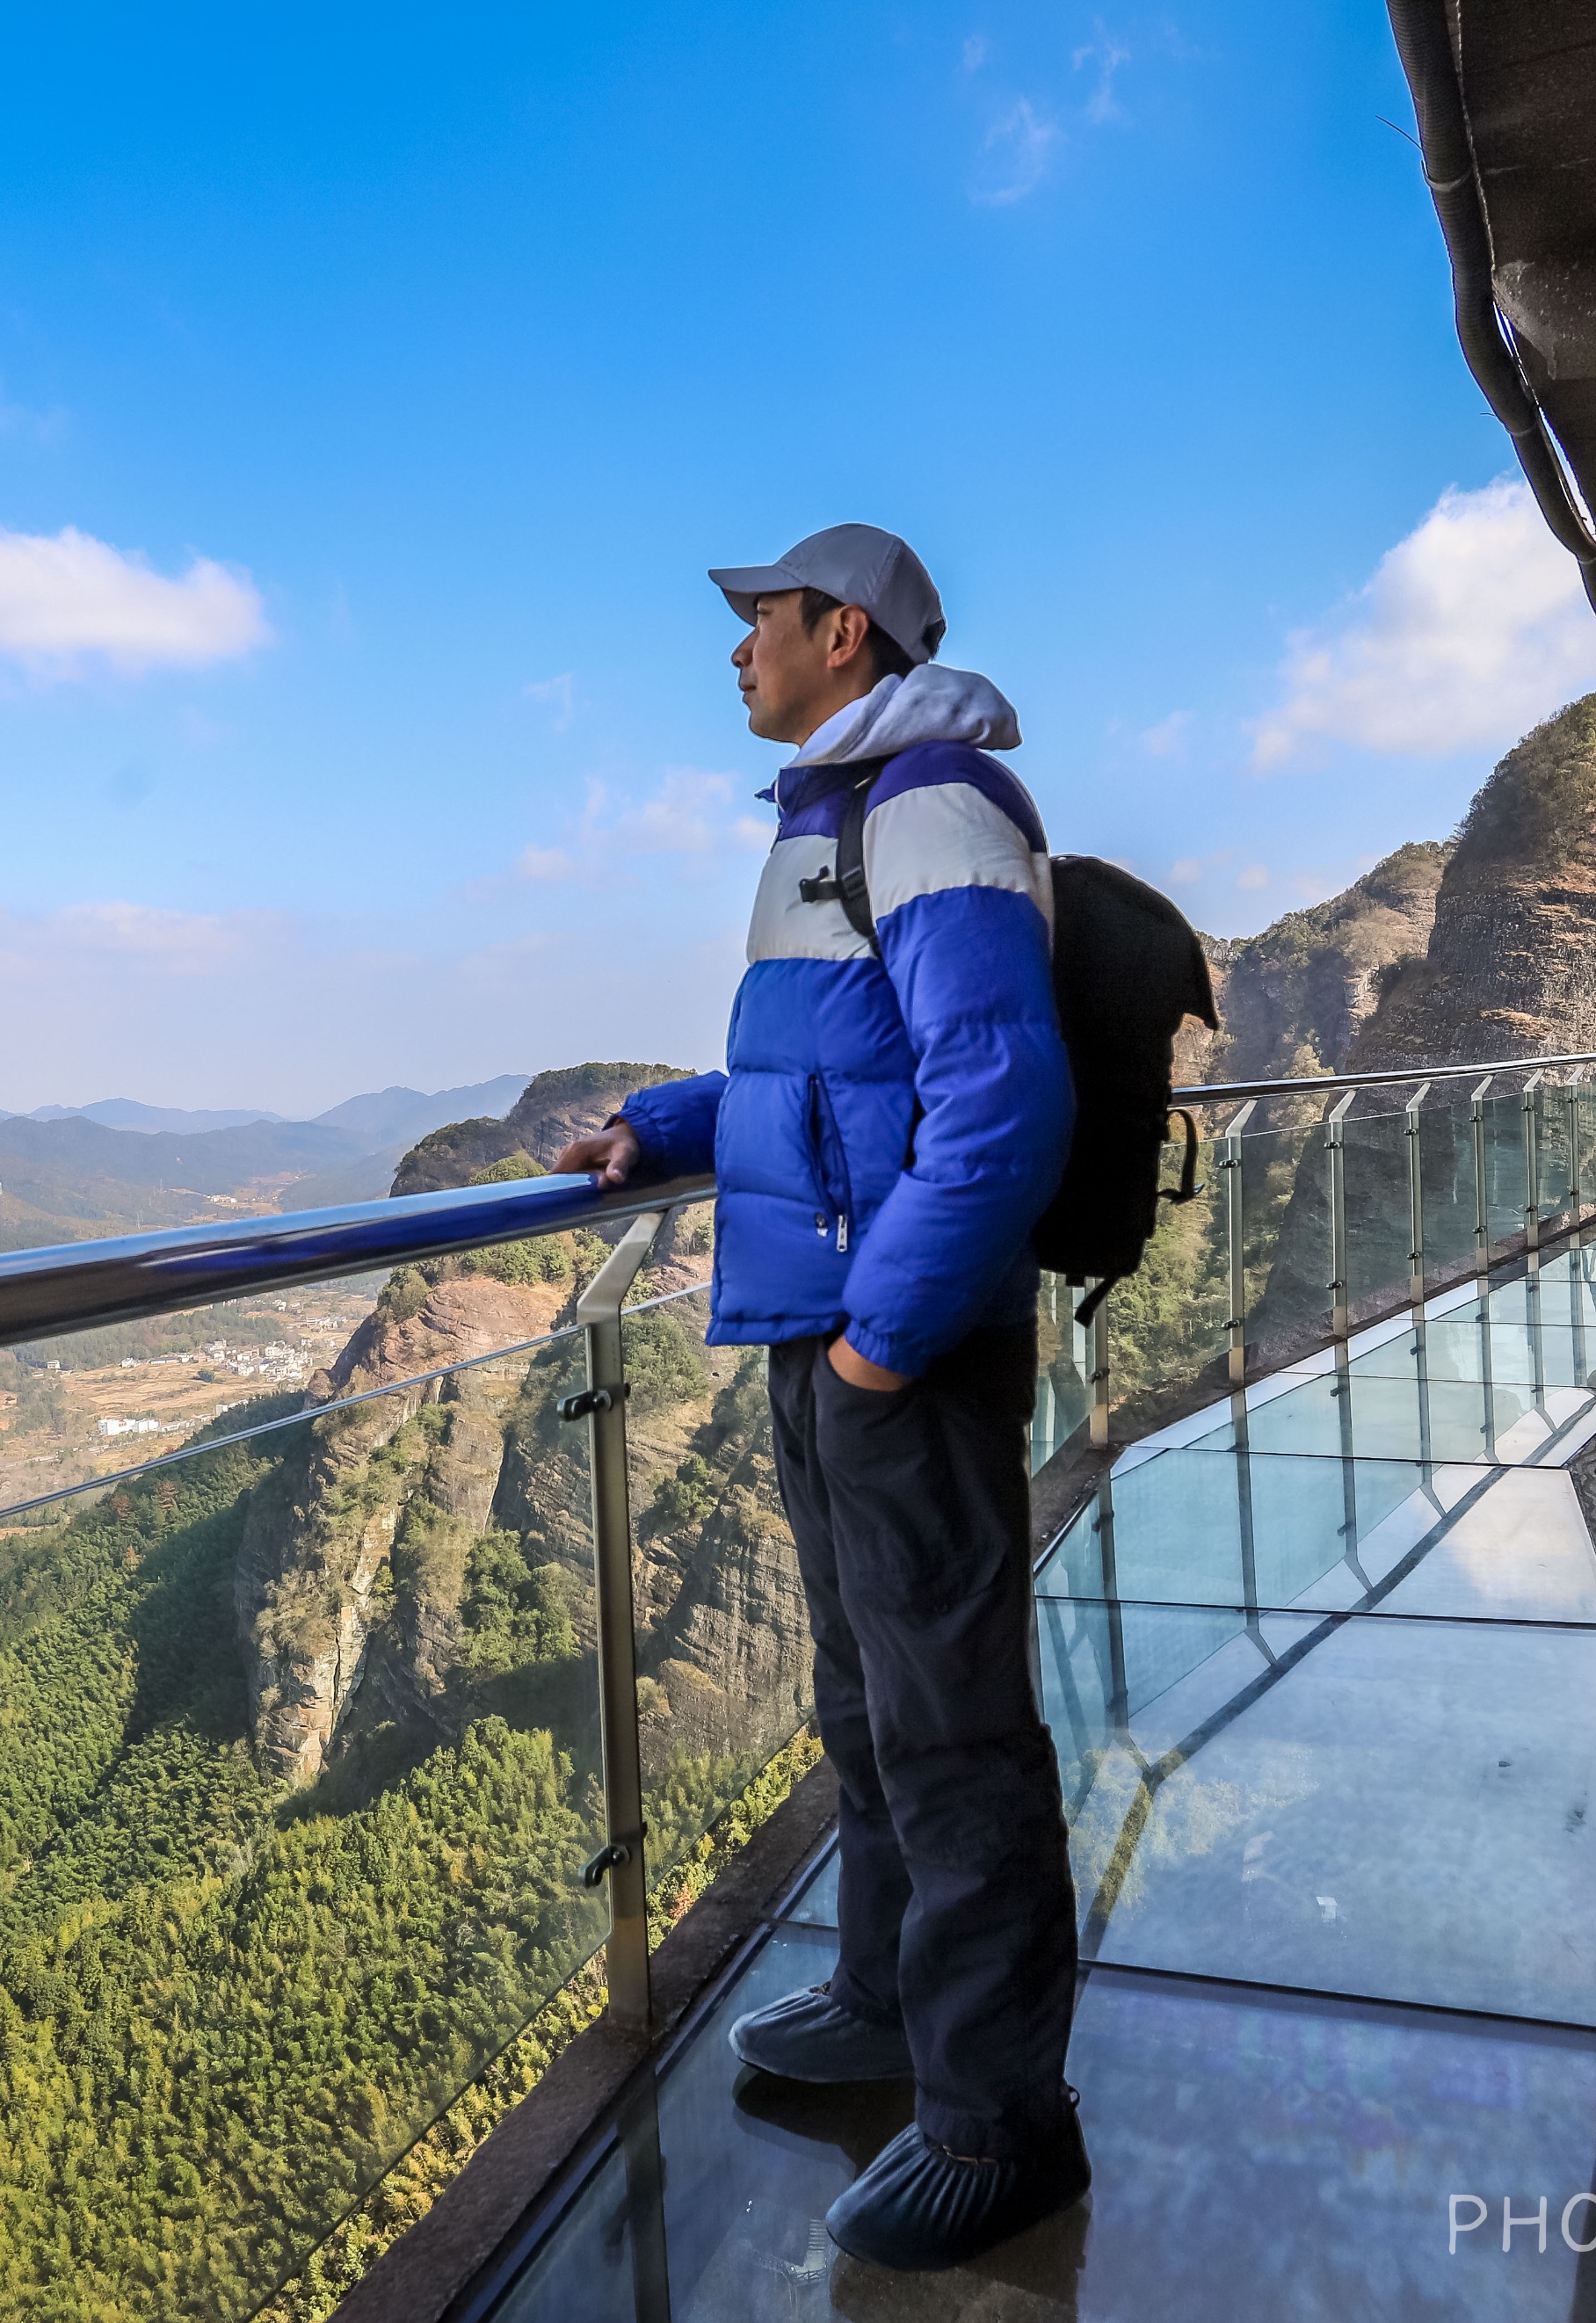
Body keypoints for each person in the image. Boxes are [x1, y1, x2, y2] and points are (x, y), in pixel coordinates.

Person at [554, 523, 1085, 2272]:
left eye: (757, 622)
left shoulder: (924, 804)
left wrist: (881, 1338)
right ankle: (881, 1994)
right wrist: (661, 1125)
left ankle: (999, 2121)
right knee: (866, 1703)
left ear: (839, 631)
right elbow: (806, 1073)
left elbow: (999, 1097)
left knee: (951, 1728)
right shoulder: (831, 816)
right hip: (827, 1324)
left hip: (894, 1344)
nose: (736, 651)